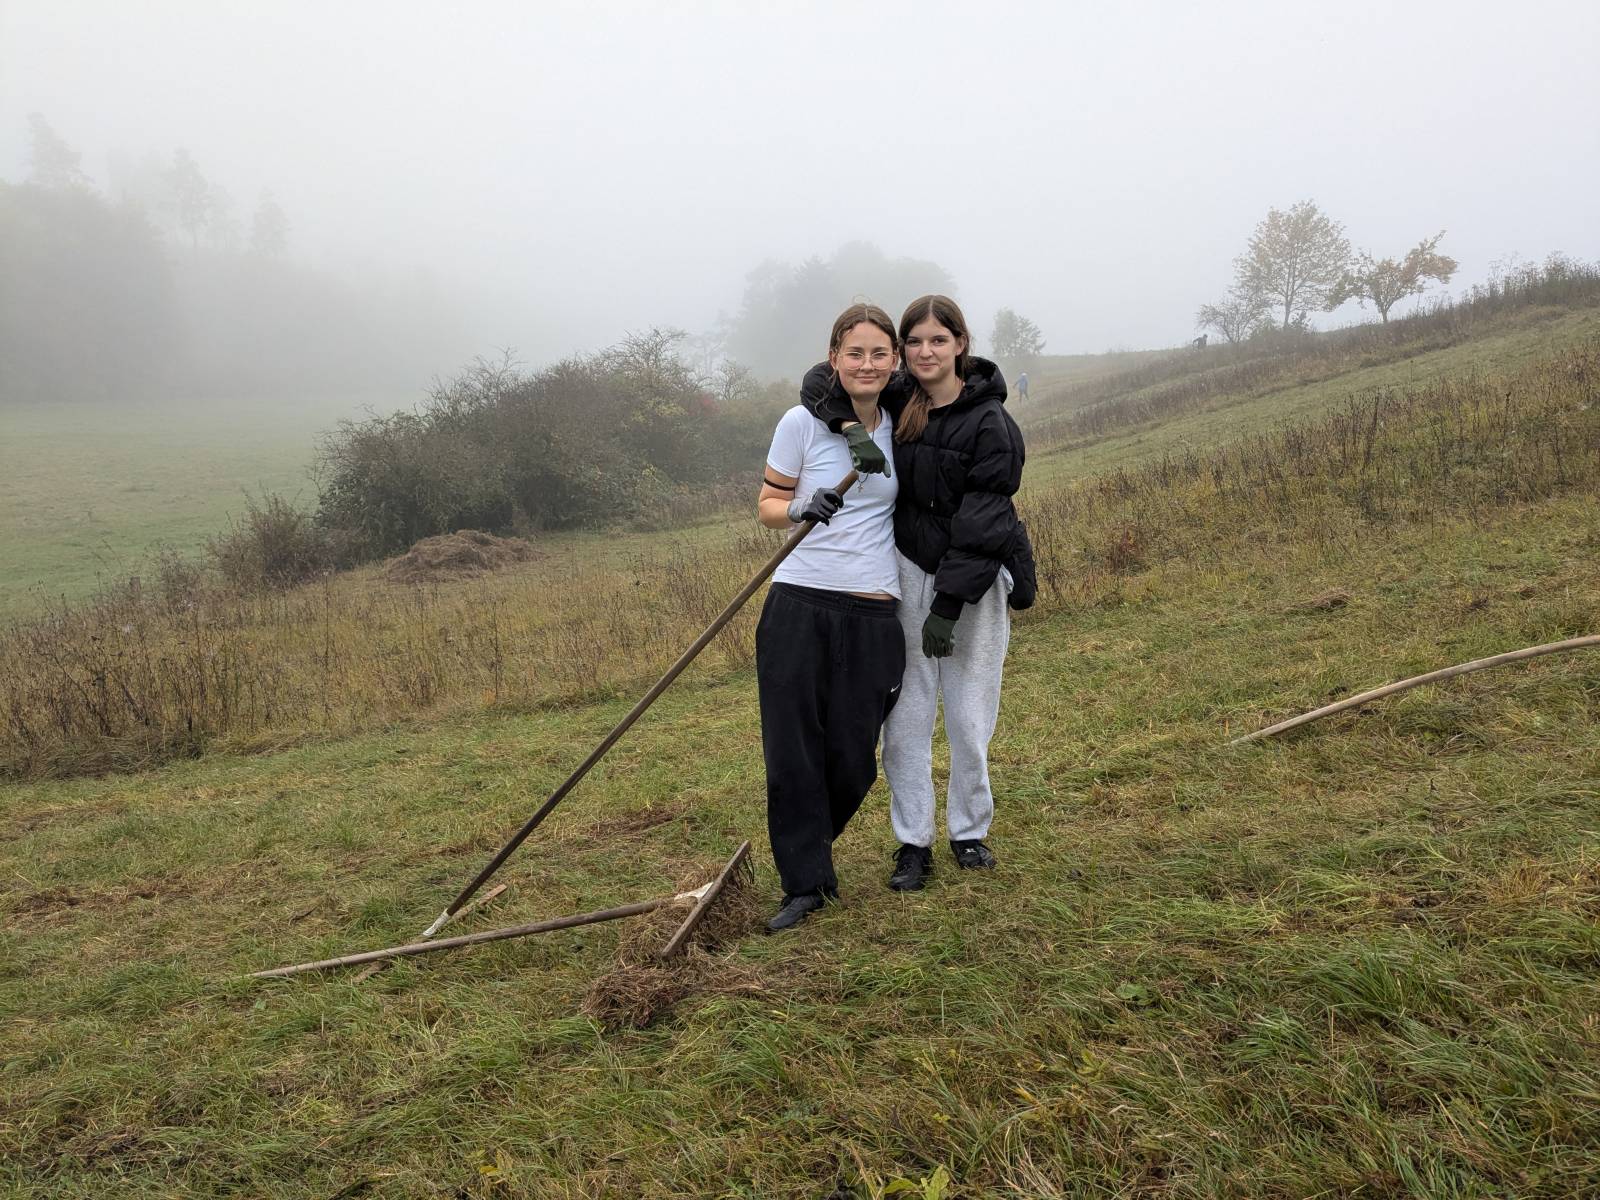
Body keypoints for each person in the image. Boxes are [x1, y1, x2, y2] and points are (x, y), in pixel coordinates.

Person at [800, 294, 1034, 894]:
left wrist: (948, 606)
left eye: (938, 340)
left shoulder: (992, 424)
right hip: (905, 571)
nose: (926, 351)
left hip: (973, 585)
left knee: (969, 713)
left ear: (961, 343)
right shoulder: (900, 397)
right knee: (904, 717)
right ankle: (913, 842)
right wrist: (850, 429)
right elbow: (821, 380)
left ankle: (969, 832)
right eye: (915, 341)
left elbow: (985, 523)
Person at [754, 303, 906, 932]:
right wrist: (800, 508)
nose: (867, 364)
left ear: (895, 360)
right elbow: (768, 503)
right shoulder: (801, 422)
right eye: (855, 353)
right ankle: (806, 883)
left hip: (874, 608)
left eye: (879, 353)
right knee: (792, 750)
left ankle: (810, 844)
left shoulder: (905, 420)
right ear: (834, 357)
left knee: (853, 756)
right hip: (799, 601)